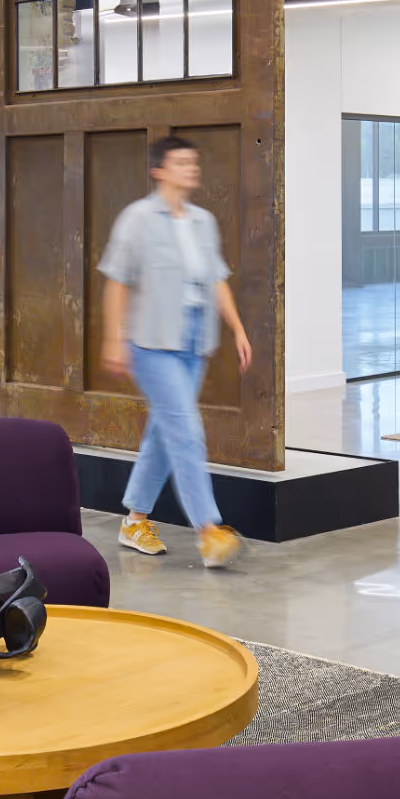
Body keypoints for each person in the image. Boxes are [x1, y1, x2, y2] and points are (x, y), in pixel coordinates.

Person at [99, 134, 253, 569]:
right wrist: (114, 339)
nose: (191, 168)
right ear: (160, 170)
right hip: (150, 342)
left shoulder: (203, 222)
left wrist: (238, 328)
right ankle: (209, 531)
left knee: (165, 433)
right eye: (181, 162)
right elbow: (116, 281)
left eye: (194, 161)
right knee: (185, 429)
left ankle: (134, 521)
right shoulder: (138, 219)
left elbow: (217, 279)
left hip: (193, 341)